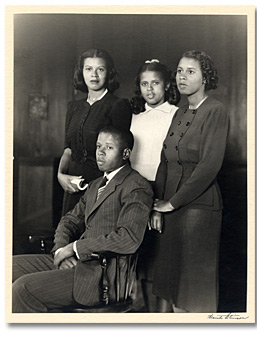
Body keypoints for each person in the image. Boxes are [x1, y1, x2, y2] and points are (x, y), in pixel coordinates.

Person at [12, 126, 153, 313]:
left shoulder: (136, 186)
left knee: (23, 289)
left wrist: (75, 248)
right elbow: (69, 220)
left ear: (126, 153)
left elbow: (128, 239)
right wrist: (61, 250)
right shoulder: (95, 185)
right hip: (75, 263)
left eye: (109, 148)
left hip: (101, 275)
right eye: (98, 146)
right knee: (8, 267)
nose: (100, 153)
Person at [151, 50, 229, 313]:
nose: (182, 77)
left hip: (199, 210)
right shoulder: (180, 112)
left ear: (205, 78)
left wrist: (171, 204)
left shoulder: (215, 110)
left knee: (193, 293)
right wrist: (157, 206)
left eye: (190, 71)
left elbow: (209, 166)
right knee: (173, 290)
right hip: (171, 209)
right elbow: (165, 160)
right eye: (180, 71)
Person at [129, 59, 180, 311]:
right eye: (144, 84)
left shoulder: (176, 115)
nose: (149, 90)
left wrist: (158, 206)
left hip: (163, 191)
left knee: (161, 260)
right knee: (139, 257)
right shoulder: (135, 116)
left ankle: (163, 316)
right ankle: (142, 313)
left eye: (155, 84)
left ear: (167, 85)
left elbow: (173, 164)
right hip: (135, 192)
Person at [58, 48, 132, 215]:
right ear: (81, 72)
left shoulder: (118, 105)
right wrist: (61, 175)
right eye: (88, 69)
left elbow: (120, 155)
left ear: (109, 73)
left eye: (100, 69)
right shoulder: (73, 107)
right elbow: (68, 149)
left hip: (102, 185)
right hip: (72, 184)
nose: (94, 75)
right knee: (68, 232)